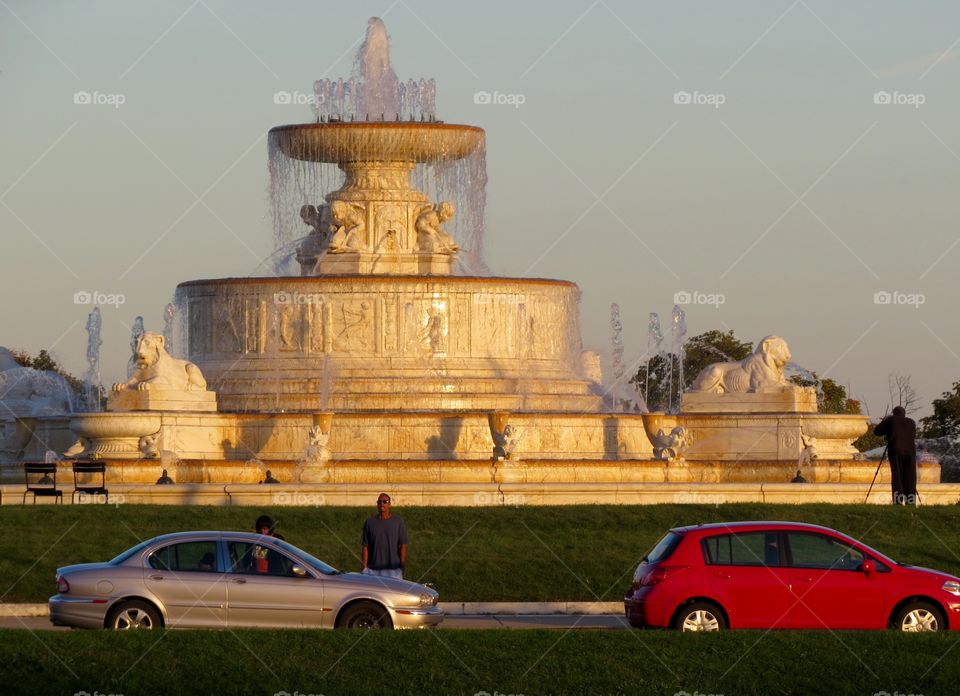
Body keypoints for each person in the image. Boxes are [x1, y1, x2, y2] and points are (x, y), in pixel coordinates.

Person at [874, 406, 918, 505]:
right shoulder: (911, 422)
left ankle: (898, 501)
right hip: (910, 452)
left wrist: (888, 431)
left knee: (897, 476)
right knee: (910, 476)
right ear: (904, 413)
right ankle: (911, 501)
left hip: (896, 451)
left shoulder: (891, 420)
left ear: (894, 413)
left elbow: (877, 432)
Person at [361, 493, 408, 579]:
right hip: (373, 570)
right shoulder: (369, 523)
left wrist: (402, 565)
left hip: (393, 570)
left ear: (389, 504)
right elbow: (365, 547)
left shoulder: (398, 522)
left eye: (385, 501)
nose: (381, 504)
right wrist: (364, 568)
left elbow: (403, 545)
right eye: (379, 502)